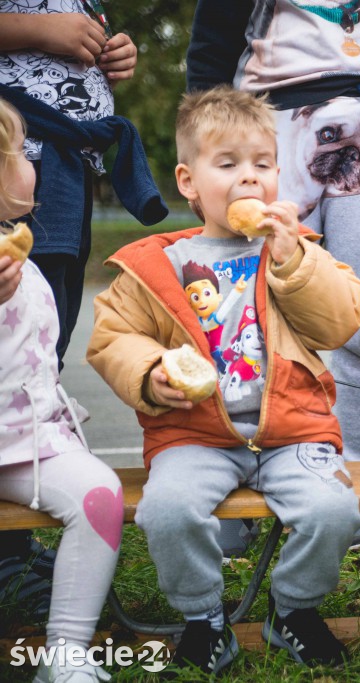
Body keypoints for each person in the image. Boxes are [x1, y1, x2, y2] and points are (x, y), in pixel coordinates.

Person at [86, 86, 360, 677]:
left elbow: (339, 321)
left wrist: (296, 261)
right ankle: (203, 617)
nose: (250, 179)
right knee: (164, 510)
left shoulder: (295, 250)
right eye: (229, 164)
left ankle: (293, 609)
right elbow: (113, 337)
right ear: (188, 182)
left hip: (292, 431)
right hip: (194, 434)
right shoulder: (156, 263)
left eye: (263, 165)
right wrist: (150, 371)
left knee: (335, 509)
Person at [186, 0, 360, 551]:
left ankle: (356, 486)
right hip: (265, 126)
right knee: (241, 317)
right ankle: (234, 489)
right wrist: (208, 147)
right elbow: (210, 46)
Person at [0, 0, 166, 606]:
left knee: (47, 339)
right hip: (29, 147)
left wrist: (106, 55)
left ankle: (18, 533)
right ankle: (8, 563)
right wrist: (40, 29)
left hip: (62, 165)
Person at [0, 96, 123, 683]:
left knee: (100, 494)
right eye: (22, 151)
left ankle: (66, 650)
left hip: (28, 442)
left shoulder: (22, 257)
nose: (33, 161)